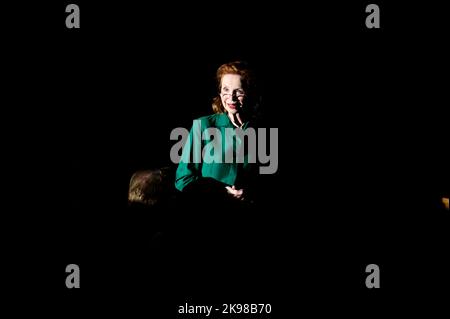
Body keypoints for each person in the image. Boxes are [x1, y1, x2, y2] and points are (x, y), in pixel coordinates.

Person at [174, 61, 263, 210]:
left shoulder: (262, 131)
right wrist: (220, 193)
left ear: (249, 92)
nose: (231, 98)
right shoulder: (203, 126)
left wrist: (250, 193)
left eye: (239, 91)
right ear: (220, 92)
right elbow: (183, 179)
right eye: (226, 90)